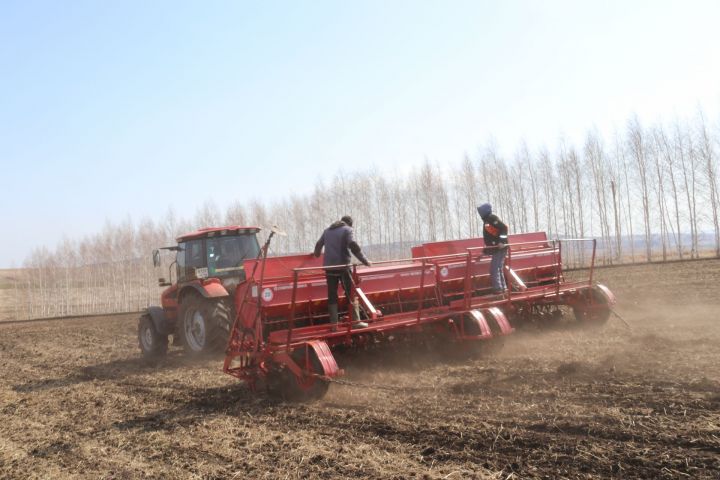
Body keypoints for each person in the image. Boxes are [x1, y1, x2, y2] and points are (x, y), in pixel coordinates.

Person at [313, 215, 371, 329]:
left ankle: (334, 325)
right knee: (351, 292)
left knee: (332, 295)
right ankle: (356, 322)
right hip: (342, 267)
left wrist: (316, 254)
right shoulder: (347, 230)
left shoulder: (327, 231)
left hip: (329, 268)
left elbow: (318, 244)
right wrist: (365, 261)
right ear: (350, 224)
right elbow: (353, 245)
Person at [477, 203, 509, 294]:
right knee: (498, 268)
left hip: (499, 248)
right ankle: (503, 288)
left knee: (494, 269)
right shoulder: (487, 220)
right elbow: (491, 237)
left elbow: (504, 228)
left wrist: (502, 242)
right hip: (496, 248)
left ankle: (498, 289)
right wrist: (485, 250)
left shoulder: (492, 218)